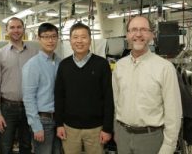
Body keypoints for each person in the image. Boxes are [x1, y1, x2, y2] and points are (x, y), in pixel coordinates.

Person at [112, 16, 182, 154]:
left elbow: (173, 112)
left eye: (144, 29)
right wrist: (117, 131)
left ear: (151, 35)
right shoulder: (119, 66)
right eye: (133, 30)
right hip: (122, 136)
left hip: (151, 138)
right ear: (127, 35)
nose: (138, 34)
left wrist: (169, 146)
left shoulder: (165, 68)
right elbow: (116, 101)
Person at [54, 22, 114, 154]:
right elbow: (59, 97)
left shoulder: (102, 64)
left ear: (90, 40)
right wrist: (59, 124)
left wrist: (107, 128)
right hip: (69, 129)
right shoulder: (64, 65)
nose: (79, 41)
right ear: (70, 40)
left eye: (83, 37)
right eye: (75, 37)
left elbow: (109, 98)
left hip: (96, 129)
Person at [0, 17, 38, 154]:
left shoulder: (34, 53)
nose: (16, 30)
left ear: (24, 29)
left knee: (27, 146)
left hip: (29, 108)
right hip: (6, 109)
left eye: (19, 27)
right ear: (7, 30)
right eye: (12, 27)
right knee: (5, 147)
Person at [22, 22, 62, 154]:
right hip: (43, 121)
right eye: (45, 36)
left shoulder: (59, 62)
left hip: (59, 120)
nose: (50, 40)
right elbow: (28, 98)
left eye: (53, 36)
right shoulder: (32, 65)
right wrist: (36, 126)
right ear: (38, 39)